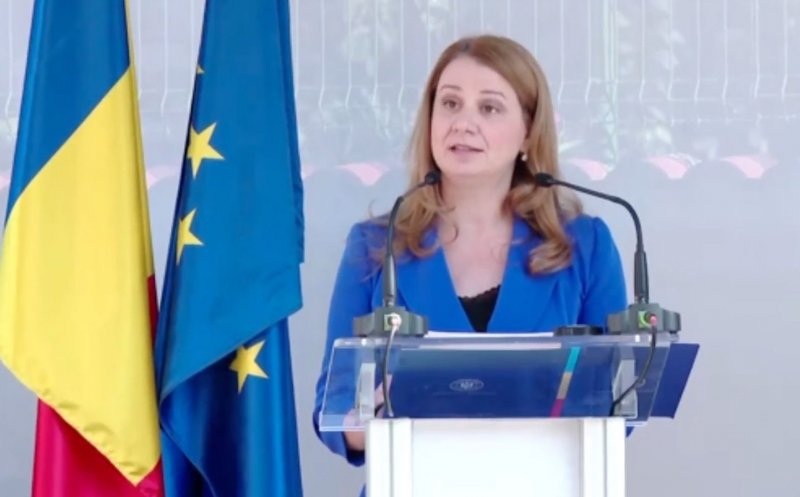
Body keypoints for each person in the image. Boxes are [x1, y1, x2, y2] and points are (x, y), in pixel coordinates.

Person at [312, 33, 627, 487]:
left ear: (528, 132)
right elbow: (334, 404)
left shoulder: (585, 245)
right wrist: (367, 419)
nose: (463, 123)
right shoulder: (375, 245)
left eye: (489, 108)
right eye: (450, 103)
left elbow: (620, 400)